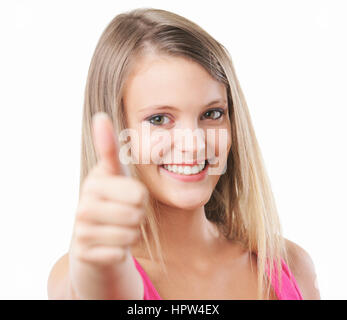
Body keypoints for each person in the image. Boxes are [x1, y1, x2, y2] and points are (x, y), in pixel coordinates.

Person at [47, 7, 320, 300]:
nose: (195, 145)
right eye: (159, 119)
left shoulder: (290, 266)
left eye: (212, 113)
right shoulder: (81, 278)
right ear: (116, 129)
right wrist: (97, 275)